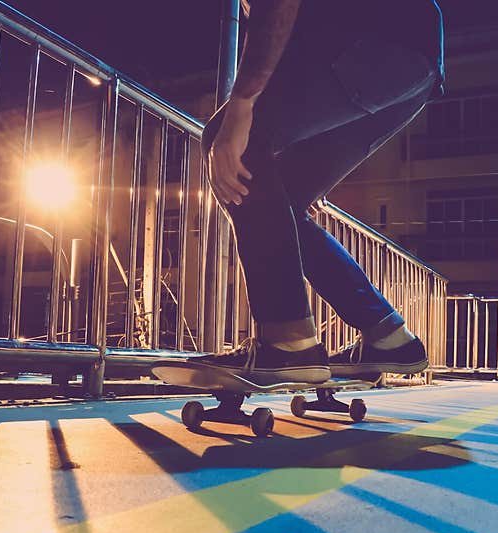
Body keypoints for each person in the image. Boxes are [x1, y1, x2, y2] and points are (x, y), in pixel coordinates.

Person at [188, 0, 444, 386]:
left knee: (228, 139)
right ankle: (389, 337)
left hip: (372, 46)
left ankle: (288, 343)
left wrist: (242, 106)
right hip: (414, 67)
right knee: (283, 200)